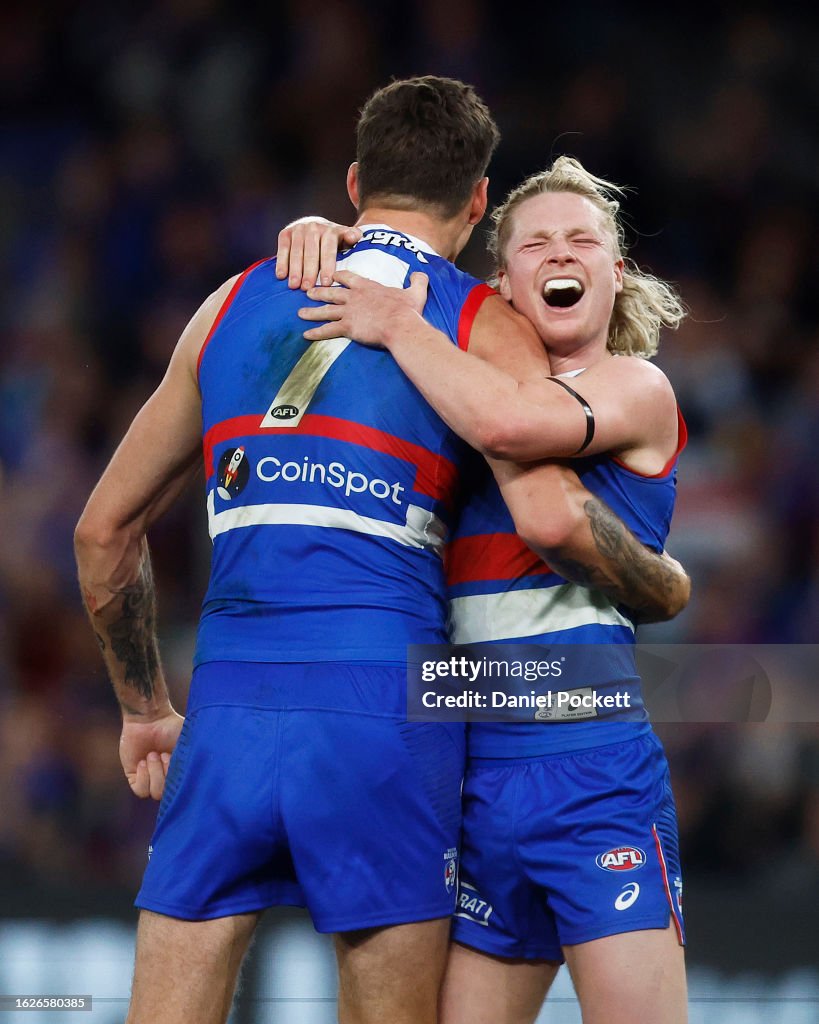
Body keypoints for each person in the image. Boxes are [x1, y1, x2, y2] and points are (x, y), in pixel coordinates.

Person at [75, 74, 687, 1024]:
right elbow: (545, 511)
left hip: (231, 701)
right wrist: (667, 589)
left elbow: (101, 533)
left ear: (357, 183)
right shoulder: (483, 326)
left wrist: (146, 707)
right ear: (478, 206)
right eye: (535, 242)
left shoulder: (227, 303)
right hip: (391, 710)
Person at [297, 156, 688, 1023]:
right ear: (501, 284)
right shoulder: (451, 400)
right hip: (471, 774)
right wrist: (327, 238)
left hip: (592, 770)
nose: (561, 253)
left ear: (615, 273)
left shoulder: (634, 386)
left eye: (582, 240)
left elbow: (510, 422)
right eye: (535, 243)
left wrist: (400, 323)